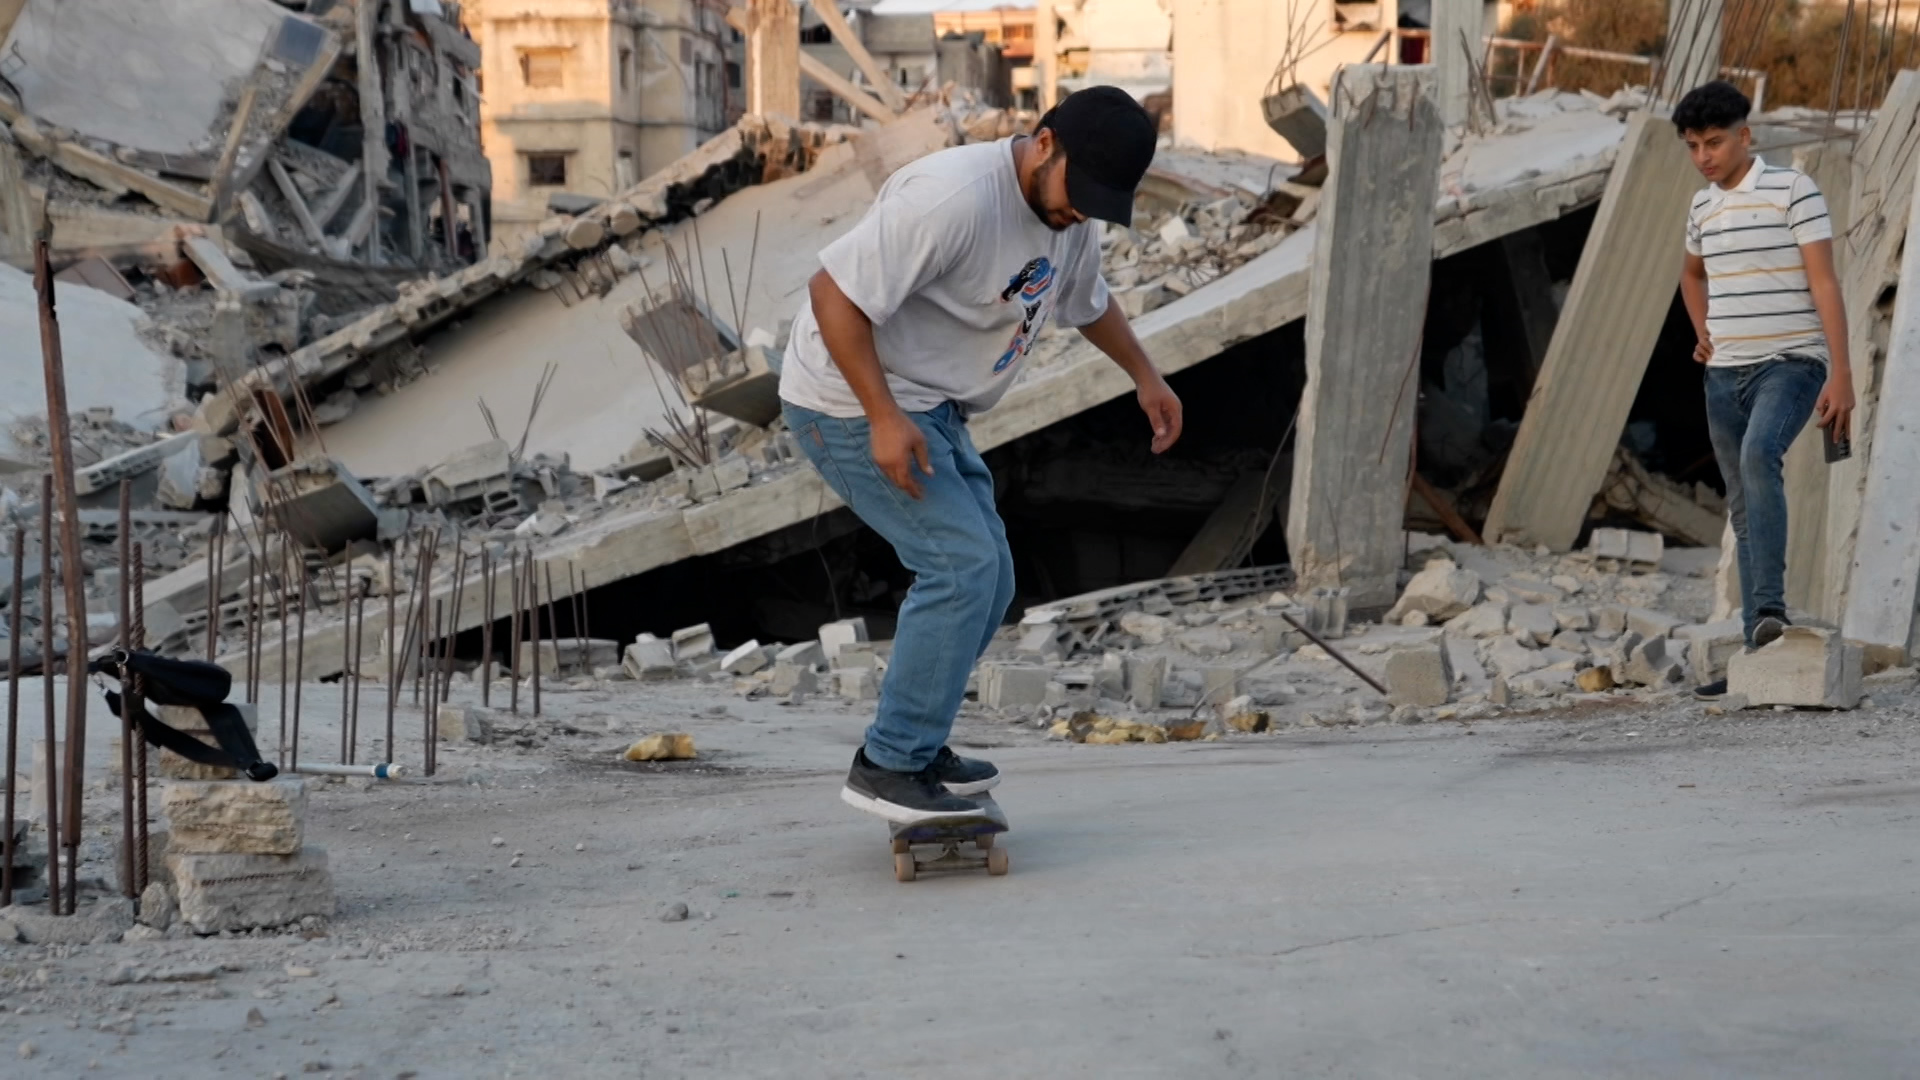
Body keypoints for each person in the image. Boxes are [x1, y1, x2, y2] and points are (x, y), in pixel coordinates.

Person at [778, 86, 1184, 823]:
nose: (1078, 213)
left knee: (990, 577)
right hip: (844, 397)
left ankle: (919, 740)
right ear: (1044, 141)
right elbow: (831, 296)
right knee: (959, 567)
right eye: (1077, 194)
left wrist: (1145, 376)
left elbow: (1087, 300)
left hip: (932, 405)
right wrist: (882, 416)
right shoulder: (953, 198)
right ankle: (889, 764)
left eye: (1096, 203)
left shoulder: (1071, 215)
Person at [1674, 80, 1853, 699]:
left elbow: (1826, 284)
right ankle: (1761, 649)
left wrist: (1842, 374)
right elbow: (1691, 275)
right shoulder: (1702, 208)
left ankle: (1771, 608)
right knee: (1743, 508)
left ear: (1745, 136)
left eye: (1715, 142)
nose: (1705, 155)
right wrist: (1703, 332)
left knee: (1759, 458)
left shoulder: (1793, 191)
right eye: (1694, 145)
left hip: (1792, 362)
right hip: (1722, 375)